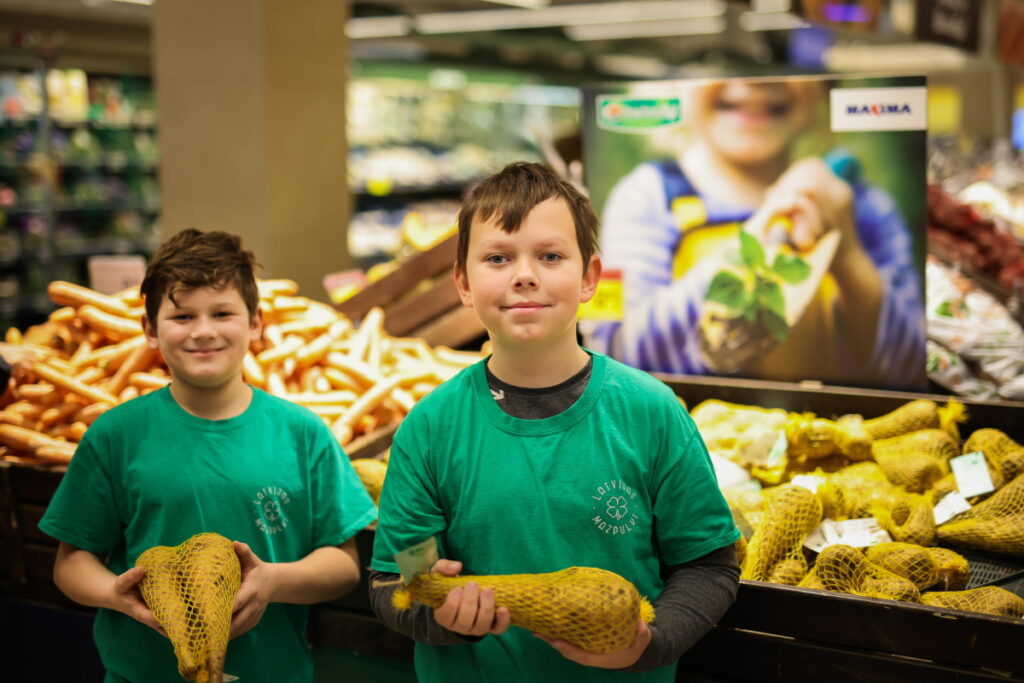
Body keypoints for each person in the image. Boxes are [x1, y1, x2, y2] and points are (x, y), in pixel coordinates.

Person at [369, 162, 740, 682]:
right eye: (498, 258)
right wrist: (435, 605)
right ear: (464, 283)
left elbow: (707, 565)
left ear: (589, 278)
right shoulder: (430, 429)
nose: (525, 274)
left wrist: (648, 644)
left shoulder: (651, 413)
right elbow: (398, 575)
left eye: (550, 256)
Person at [38, 229, 376, 683]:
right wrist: (116, 594)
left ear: (255, 324)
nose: (203, 331)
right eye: (181, 316)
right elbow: (71, 561)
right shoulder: (115, 435)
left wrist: (273, 581)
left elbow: (343, 562)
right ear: (149, 330)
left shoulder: (303, 434)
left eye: (222, 313)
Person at [585, 78, 925, 389]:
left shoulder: (866, 208)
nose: (753, 83)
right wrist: (759, 235)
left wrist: (848, 253)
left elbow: (912, 367)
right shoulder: (646, 196)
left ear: (821, 91)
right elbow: (613, 354)